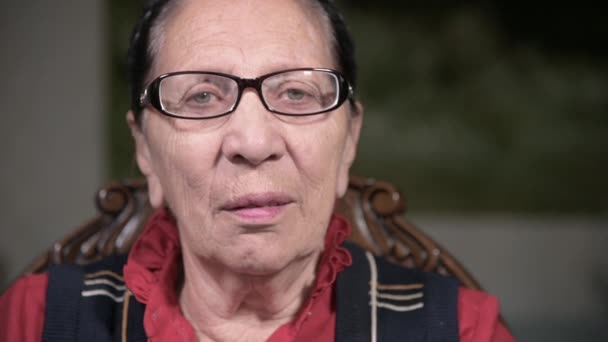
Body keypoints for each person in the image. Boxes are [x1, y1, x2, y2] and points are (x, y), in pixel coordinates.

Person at [0, 0, 516, 341]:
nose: (253, 142)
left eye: (295, 92)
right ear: (145, 149)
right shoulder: (37, 319)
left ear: (349, 139)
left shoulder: (461, 329)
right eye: (201, 96)